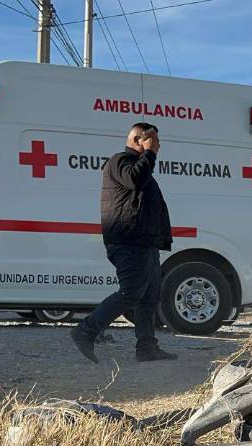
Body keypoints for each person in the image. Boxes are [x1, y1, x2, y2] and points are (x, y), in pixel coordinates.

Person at [70, 122, 177, 363]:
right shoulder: (120, 162)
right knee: (130, 293)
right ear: (140, 140)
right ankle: (85, 330)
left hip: (145, 243)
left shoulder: (142, 167)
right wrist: (150, 153)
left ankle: (146, 348)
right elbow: (134, 180)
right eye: (154, 141)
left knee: (149, 298)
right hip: (129, 241)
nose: (159, 145)